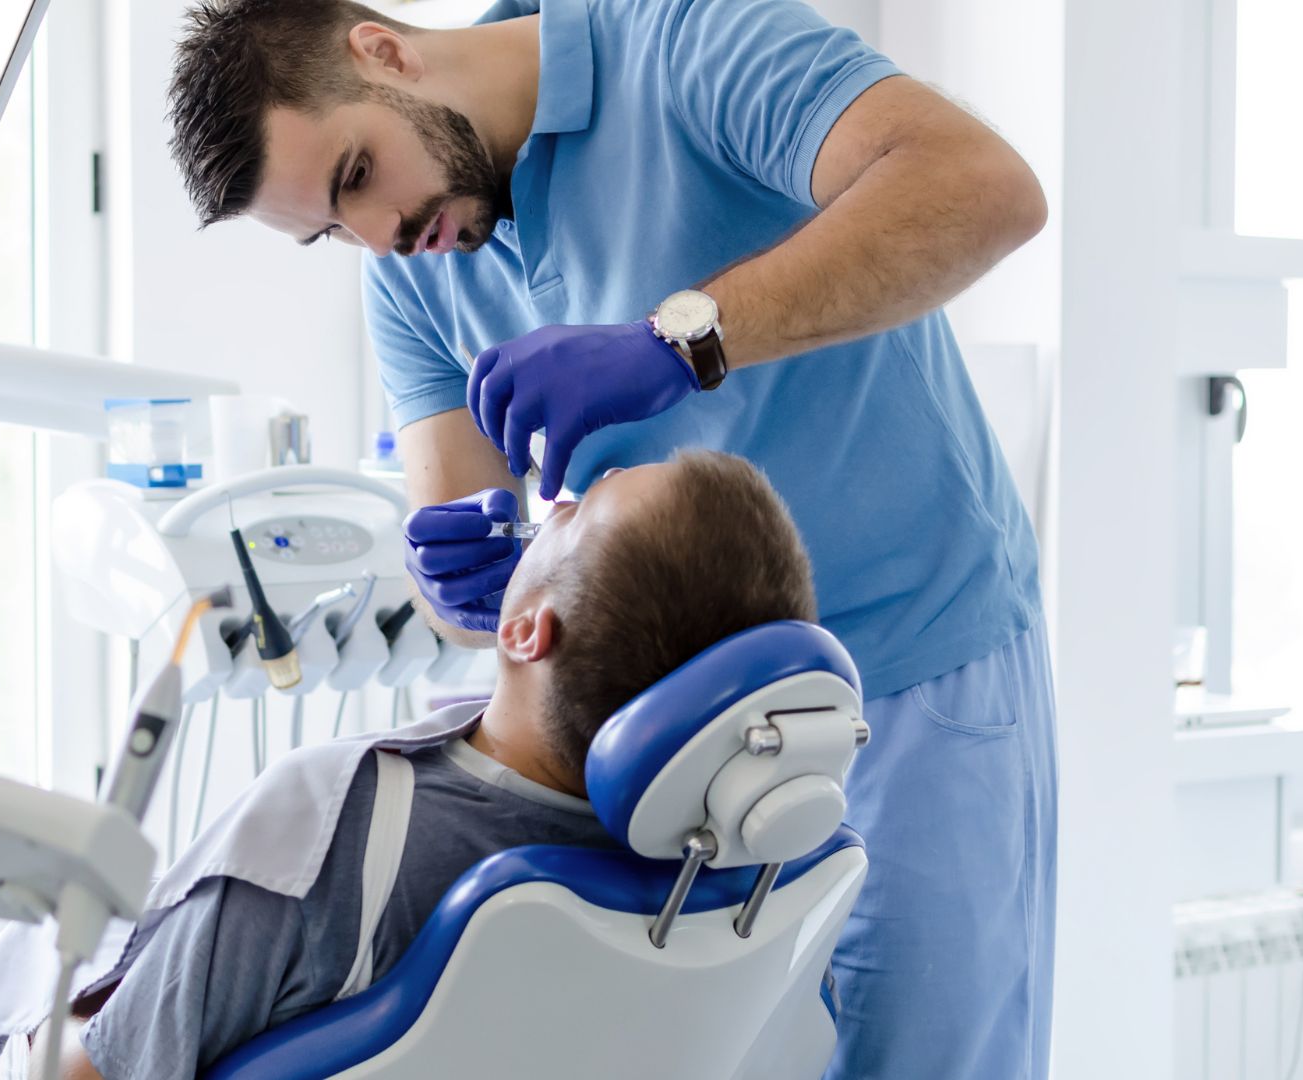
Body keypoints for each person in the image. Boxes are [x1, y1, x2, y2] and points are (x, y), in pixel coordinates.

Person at [163, 2, 1058, 1077]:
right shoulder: (410, 264)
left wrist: (682, 340)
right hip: (661, 754)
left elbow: (983, 191)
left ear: (383, 51)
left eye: (358, 175)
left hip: (907, 676)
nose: (377, 238)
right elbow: (462, 540)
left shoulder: (683, 41)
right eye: (330, 229)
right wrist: (455, 576)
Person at [31, 451, 817, 1078]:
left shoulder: (326, 827)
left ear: (524, 634)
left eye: (575, 512)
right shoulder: (751, 875)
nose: (559, 498)